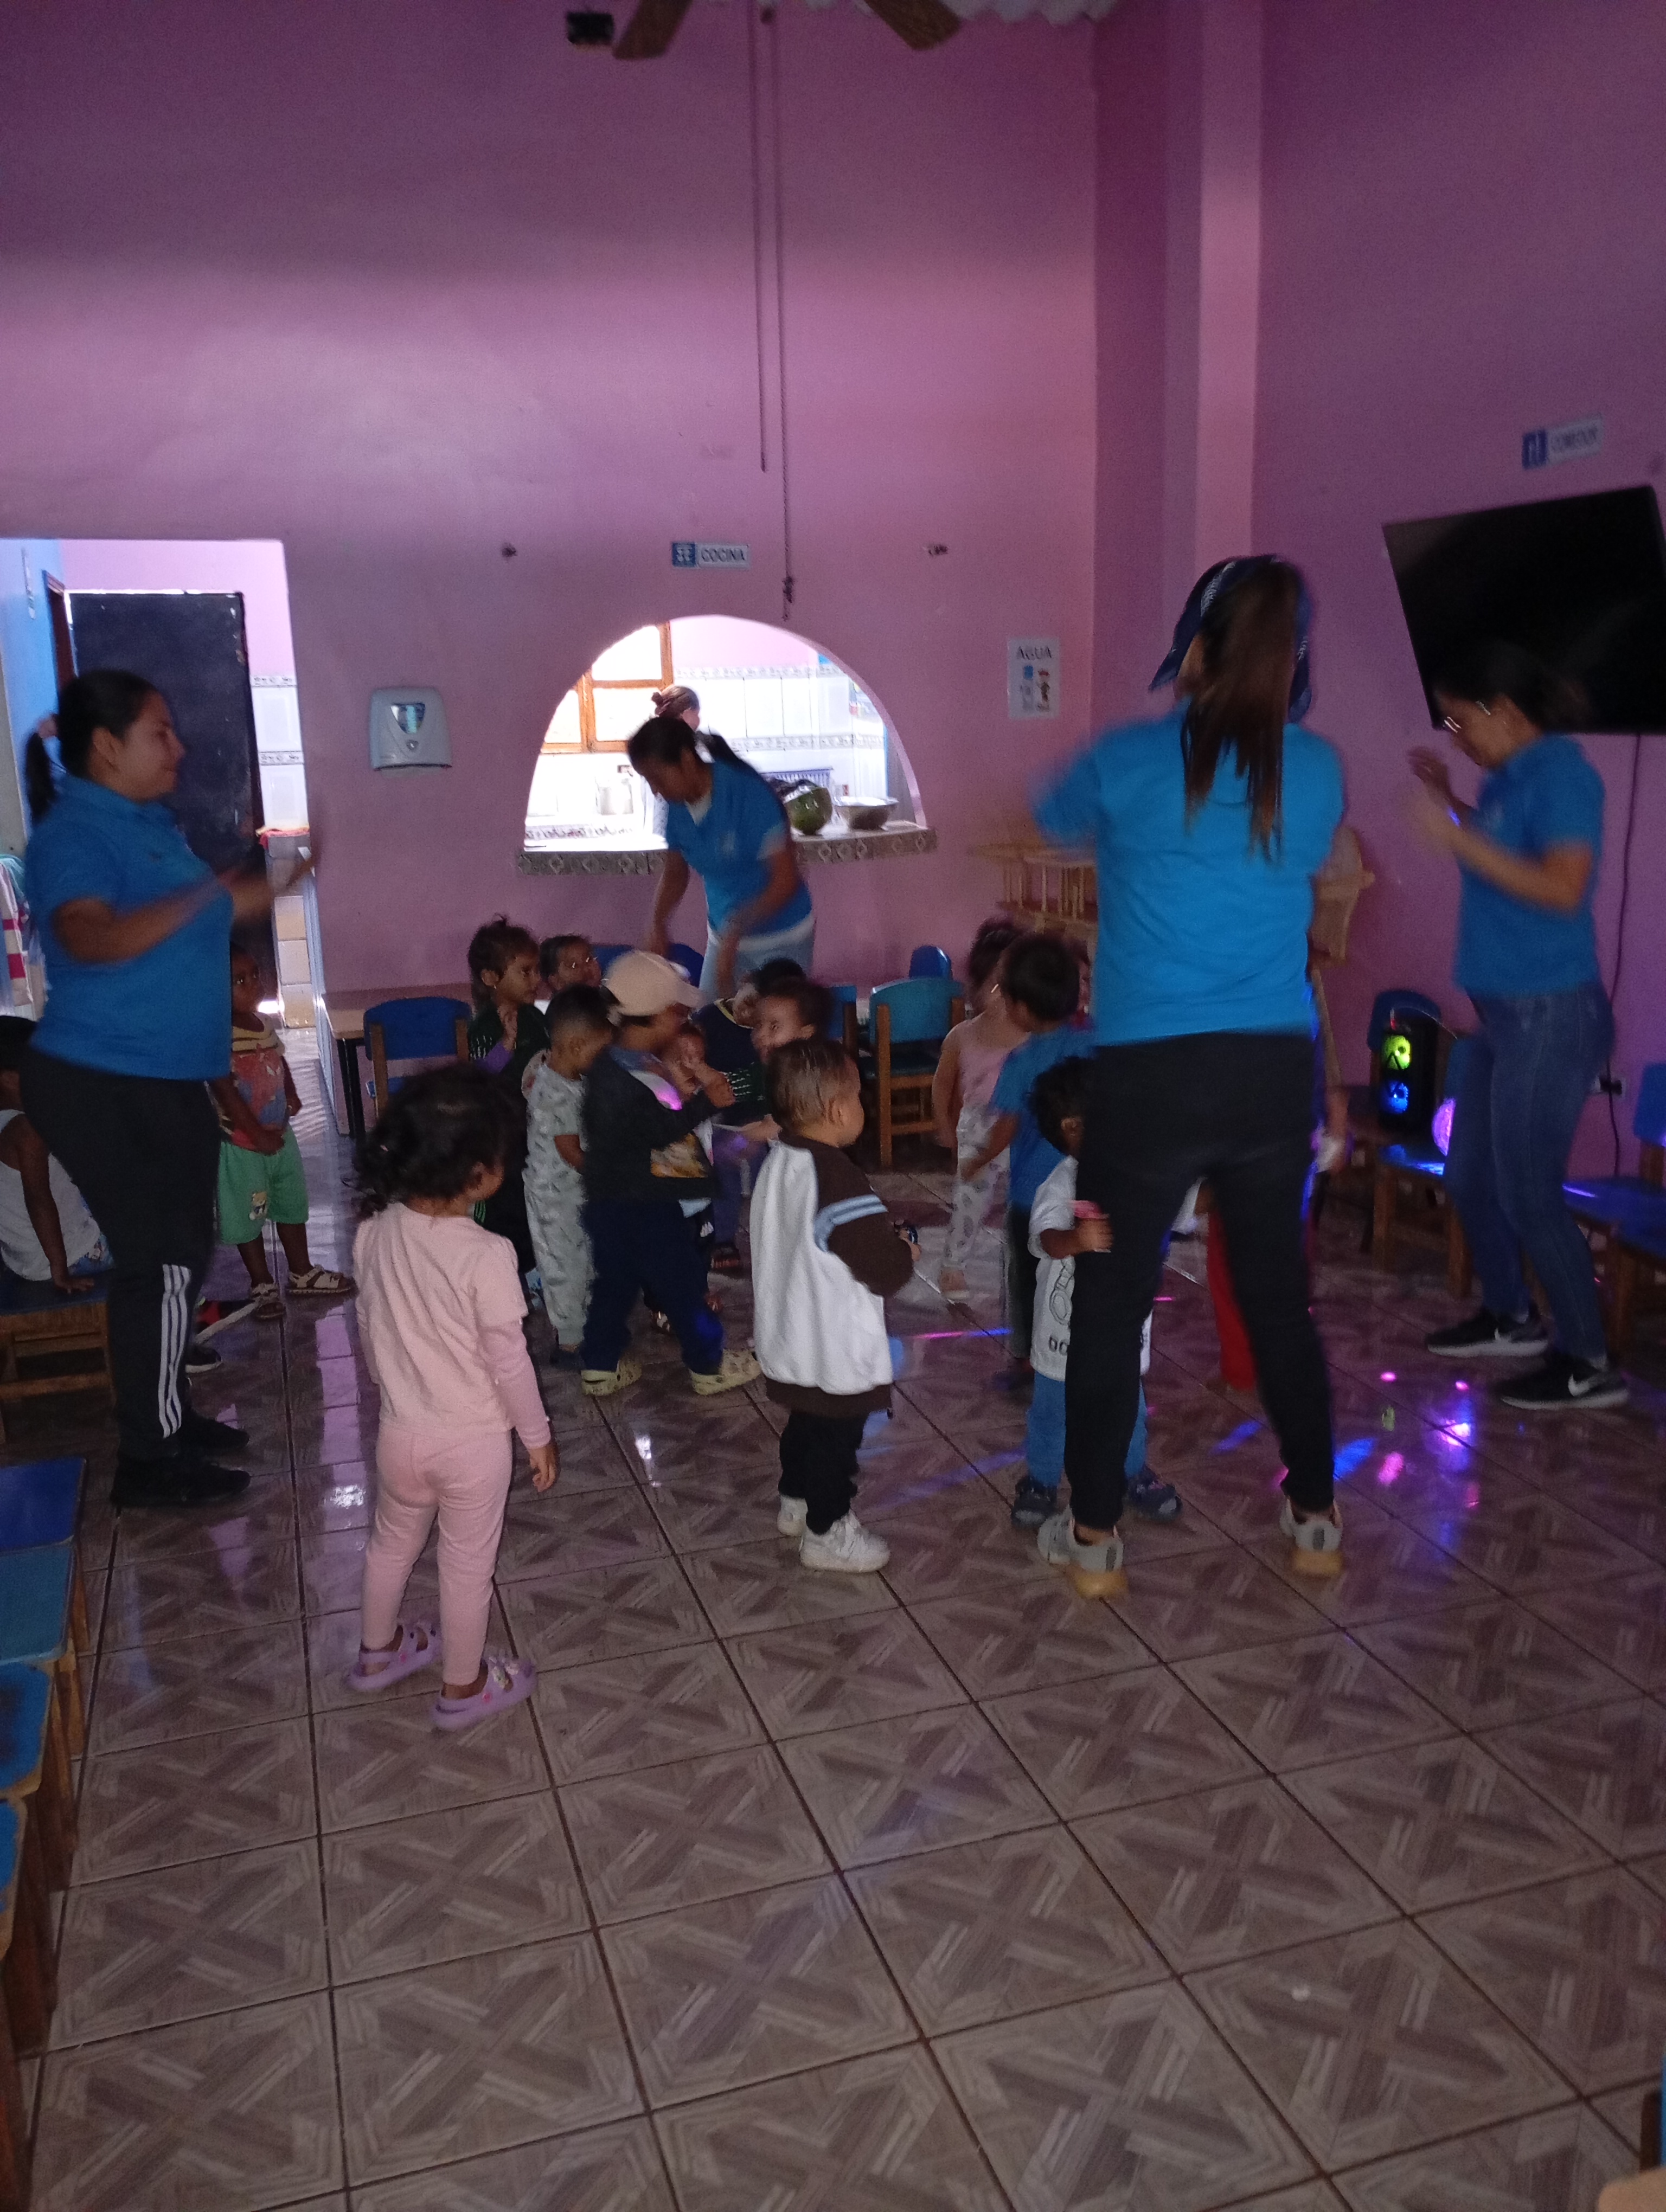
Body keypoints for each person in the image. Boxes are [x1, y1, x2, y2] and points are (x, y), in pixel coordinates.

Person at [1034, 557, 1345, 1595]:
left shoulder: (1127, 759)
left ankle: (1093, 1537)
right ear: (1294, 661)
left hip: (1148, 1086)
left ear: (1196, 650)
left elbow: (1051, 812)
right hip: (1269, 1079)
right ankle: (1314, 1518)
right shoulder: (1320, 771)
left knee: (1108, 1297)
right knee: (1276, 1302)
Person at [20, 670, 306, 1510]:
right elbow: (90, 937)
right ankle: (151, 1457)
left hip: (160, 1075)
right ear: (108, 747)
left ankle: (165, 1418)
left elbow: (210, 910)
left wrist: (279, 876)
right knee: (166, 1262)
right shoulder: (76, 832)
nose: (178, 747)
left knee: (176, 1256)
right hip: (106, 1079)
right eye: (160, 732)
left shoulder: (149, 825)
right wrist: (206, 892)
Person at [1408, 640, 1623, 1410]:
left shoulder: (1565, 775)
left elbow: (1563, 887)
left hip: (1551, 1014)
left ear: (1502, 709)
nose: (1456, 737)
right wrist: (1451, 801)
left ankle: (1588, 1360)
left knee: (1530, 1189)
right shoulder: (1507, 779)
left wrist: (1455, 836)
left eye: (1460, 722)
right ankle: (1510, 1315)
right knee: (1468, 1174)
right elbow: (1502, 851)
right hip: (1501, 1015)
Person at [348, 1063, 555, 1728]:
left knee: (390, 1544)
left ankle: (377, 1653)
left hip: (400, 1433)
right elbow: (508, 1359)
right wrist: (536, 1435)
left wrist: (388, 1385)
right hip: (471, 1444)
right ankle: (464, 1689)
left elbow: (368, 1324)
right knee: (466, 1567)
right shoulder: (487, 1253)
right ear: (478, 1174)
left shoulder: (372, 1231)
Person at [751, 1037, 912, 1573]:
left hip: (793, 1334)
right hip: (833, 1344)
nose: (862, 1107)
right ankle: (828, 1530)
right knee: (836, 1441)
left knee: (806, 1424)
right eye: (858, 1096)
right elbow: (884, 1270)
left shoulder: (782, 1159)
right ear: (837, 1110)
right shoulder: (837, 1176)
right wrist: (903, 1251)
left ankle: (796, 1501)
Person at [578, 951, 760, 1398]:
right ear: (657, 1016)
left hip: (609, 1200)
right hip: (646, 1202)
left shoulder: (612, 1063)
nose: (682, 1020)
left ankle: (599, 1365)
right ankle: (709, 1365)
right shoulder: (626, 1079)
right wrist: (706, 1104)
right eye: (677, 1012)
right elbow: (657, 1132)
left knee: (614, 1284)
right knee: (682, 1285)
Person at [1011, 1056, 1178, 1541]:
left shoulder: (1135, 1175)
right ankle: (1042, 1480)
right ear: (1074, 1128)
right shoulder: (1062, 1184)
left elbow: (1185, 1204)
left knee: (1128, 1410)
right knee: (1052, 1413)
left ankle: (1132, 1471)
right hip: (1061, 1344)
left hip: (1123, 1337)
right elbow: (1046, 1240)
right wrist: (1078, 1240)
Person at [957, 934, 1085, 1386]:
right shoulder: (1094, 1044)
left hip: (1031, 1195)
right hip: (1084, 1188)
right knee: (1073, 1272)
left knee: (1026, 1275)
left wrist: (977, 1160)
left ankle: (1029, 1359)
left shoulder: (1021, 1061)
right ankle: (1074, 1346)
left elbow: (1007, 1126)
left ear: (1023, 1009)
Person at [629, 710, 815, 998]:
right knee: (712, 1018)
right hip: (725, 935)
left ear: (686, 760)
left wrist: (735, 931)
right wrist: (657, 922)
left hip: (782, 938)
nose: (655, 791)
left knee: (771, 1019)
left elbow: (785, 882)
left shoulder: (746, 793)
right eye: (648, 781)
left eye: (658, 778)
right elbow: (676, 873)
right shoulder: (677, 808)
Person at [210, 947, 354, 1315]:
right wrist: (255, 1134)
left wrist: (290, 1092)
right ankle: (261, 1283)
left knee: (291, 1203)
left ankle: (301, 1271)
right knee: (248, 1213)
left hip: (280, 1137)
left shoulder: (263, 1024)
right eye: (239, 981)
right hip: (244, 1145)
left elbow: (279, 1059)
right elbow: (224, 1089)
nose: (253, 984)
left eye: (255, 975)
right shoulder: (217, 1036)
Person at [932, 917, 1024, 1295]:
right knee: (969, 1201)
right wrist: (943, 1123)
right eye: (995, 986)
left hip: (1023, 1127)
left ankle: (1026, 1260)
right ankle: (953, 1265)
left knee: (1029, 1200)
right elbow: (942, 1083)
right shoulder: (963, 1035)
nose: (1004, 996)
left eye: (1013, 986)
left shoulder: (1033, 1034)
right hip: (978, 1130)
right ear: (978, 988)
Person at [522, 984, 613, 1361]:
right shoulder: (555, 1093)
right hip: (555, 1199)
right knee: (565, 1267)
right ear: (576, 1046)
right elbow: (572, 1152)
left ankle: (585, 1326)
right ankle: (571, 1344)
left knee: (582, 1259)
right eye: (600, 1050)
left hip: (571, 1194)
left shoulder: (571, 1080)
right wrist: (610, 1169)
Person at [465, 917, 548, 1283]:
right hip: (503, 1135)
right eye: (525, 972)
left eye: (537, 971)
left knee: (535, 1198)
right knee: (506, 1202)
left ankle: (533, 1268)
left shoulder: (535, 1017)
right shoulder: (486, 1026)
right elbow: (479, 1079)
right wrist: (507, 1045)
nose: (536, 980)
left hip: (537, 1128)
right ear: (491, 978)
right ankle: (505, 1271)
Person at [0, 1016, 108, 1288]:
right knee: (167, 1236)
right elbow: (38, 1200)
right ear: (10, 1080)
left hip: (24, 1260)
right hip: (71, 1254)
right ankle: (196, 1303)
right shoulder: (26, 1131)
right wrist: (60, 1271)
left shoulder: (16, 1124)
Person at [538, 934, 603, 998]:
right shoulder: (560, 1004)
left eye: (589, 960)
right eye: (574, 966)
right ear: (557, 982)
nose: (586, 969)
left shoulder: (606, 997)